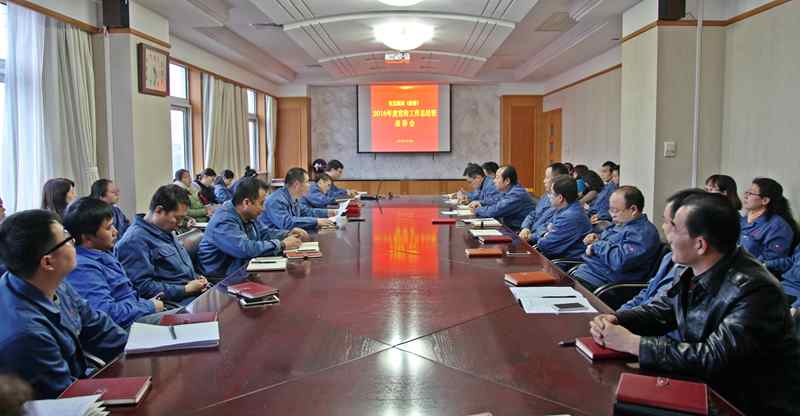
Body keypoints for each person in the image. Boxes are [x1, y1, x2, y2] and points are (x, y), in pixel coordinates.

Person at [589, 193, 800, 415]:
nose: (667, 233)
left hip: (745, 403)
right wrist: (617, 319)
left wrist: (634, 344)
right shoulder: (692, 268)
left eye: (674, 227)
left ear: (700, 244)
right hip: (705, 386)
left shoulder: (755, 290)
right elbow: (662, 311)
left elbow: (713, 357)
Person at [0, 210, 127, 399]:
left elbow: (99, 328)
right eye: (67, 238)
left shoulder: (51, 281)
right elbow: (65, 395)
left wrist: (139, 350)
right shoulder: (27, 333)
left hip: (82, 382)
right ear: (48, 262)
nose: (74, 241)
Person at [63, 198, 166, 329]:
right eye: (108, 228)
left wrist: (147, 304)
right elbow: (105, 314)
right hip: (125, 328)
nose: (115, 232)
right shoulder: (82, 268)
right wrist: (149, 306)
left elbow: (126, 297)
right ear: (87, 238)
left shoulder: (103, 253)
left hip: (137, 314)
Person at [618, 188, 708, 312]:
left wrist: (622, 319)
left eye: (670, 223)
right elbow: (647, 293)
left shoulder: (695, 276)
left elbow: (660, 311)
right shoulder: (669, 258)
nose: (663, 227)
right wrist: (619, 314)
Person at [115, 185, 209, 304]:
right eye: (177, 218)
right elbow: (140, 287)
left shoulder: (164, 230)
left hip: (191, 294)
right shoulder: (134, 241)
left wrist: (197, 279)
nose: (180, 224)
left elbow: (179, 270)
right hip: (171, 303)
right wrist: (185, 289)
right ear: (159, 210)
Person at [198, 178, 305, 278]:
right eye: (261, 203)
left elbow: (263, 233)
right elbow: (245, 249)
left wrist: (286, 234)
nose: (263, 209)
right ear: (246, 203)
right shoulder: (223, 220)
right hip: (222, 278)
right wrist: (282, 244)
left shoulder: (247, 214)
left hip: (243, 268)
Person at [572, 186, 661, 291]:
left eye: (615, 210)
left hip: (603, 284)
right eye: (610, 210)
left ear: (633, 209)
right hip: (588, 273)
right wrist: (597, 238)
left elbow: (619, 260)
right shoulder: (622, 224)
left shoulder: (643, 233)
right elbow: (610, 244)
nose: (612, 215)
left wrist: (596, 246)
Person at [739, 177, 798, 263]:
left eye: (750, 193)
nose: (745, 196)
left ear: (765, 200)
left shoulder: (778, 227)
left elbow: (771, 261)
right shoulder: (743, 220)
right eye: (746, 192)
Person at [531, 176, 591, 260]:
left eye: (551, 193)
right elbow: (542, 227)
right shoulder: (563, 208)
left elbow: (545, 245)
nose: (549, 196)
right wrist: (545, 233)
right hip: (554, 257)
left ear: (560, 198)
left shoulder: (570, 216)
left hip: (563, 262)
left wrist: (545, 234)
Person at [260, 168, 335, 232]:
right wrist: (316, 221)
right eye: (307, 182)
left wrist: (330, 212)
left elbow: (307, 212)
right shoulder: (276, 200)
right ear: (296, 184)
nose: (309, 185)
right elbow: (287, 223)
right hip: (276, 240)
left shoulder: (293, 197)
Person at [472, 165, 535, 231]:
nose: (494, 181)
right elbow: (496, 200)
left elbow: (495, 210)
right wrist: (481, 203)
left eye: (497, 178)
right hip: (509, 227)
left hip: (518, 231)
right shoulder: (508, 190)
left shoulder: (516, 194)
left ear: (507, 181)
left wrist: (477, 210)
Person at [518, 162, 570, 242]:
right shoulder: (546, 196)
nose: (544, 181)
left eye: (547, 178)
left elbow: (548, 228)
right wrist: (525, 227)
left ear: (557, 180)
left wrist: (530, 236)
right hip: (529, 235)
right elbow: (533, 213)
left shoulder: (563, 203)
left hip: (538, 240)